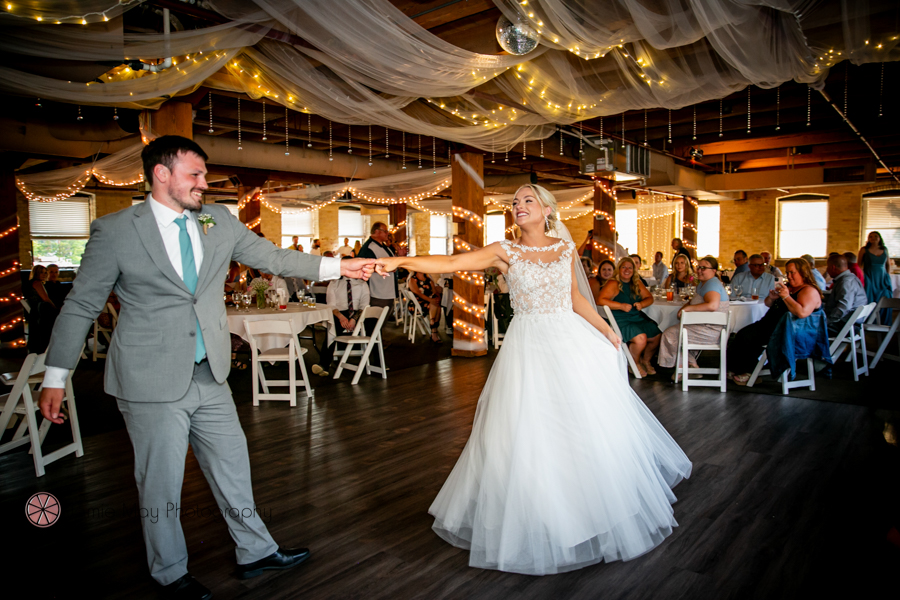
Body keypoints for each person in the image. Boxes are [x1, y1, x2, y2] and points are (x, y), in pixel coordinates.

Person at [37, 136, 375, 598]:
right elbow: (80, 306)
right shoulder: (116, 230)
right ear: (161, 174)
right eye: (194, 174)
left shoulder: (218, 220)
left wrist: (339, 267)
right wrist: (56, 377)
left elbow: (274, 257)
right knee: (161, 483)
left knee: (233, 466)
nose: (203, 183)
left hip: (209, 372)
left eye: (204, 174)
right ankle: (170, 573)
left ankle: (255, 551)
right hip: (149, 377)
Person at [373, 183, 690, 575]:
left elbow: (574, 297)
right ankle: (541, 517)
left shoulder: (564, 249)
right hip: (527, 348)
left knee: (578, 425)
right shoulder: (505, 251)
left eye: (527, 201)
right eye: (515, 202)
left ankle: (585, 508)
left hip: (569, 342)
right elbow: (453, 263)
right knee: (528, 431)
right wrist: (402, 262)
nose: (518, 207)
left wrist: (606, 331)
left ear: (546, 209)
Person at [728, 258, 822, 385]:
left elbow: (801, 313)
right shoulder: (789, 288)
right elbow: (767, 304)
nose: (789, 276)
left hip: (787, 331)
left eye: (792, 273)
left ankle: (750, 372)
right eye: (787, 273)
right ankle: (740, 369)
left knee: (747, 337)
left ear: (803, 272)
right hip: (769, 325)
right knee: (739, 335)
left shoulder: (808, 291)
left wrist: (786, 296)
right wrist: (772, 298)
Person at [657, 256, 730, 376]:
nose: (700, 270)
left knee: (670, 334)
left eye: (704, 268)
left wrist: (688, 309)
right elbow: (695, 300)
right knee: (676, 330)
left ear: (714, 271)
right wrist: (685, 306)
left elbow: (712, 305)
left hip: (711, 331)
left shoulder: (712, 284)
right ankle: (691, 366)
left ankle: (682, 369)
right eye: (699, 267)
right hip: (704, 326)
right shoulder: (704, 283)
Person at [599, 256, 662, 376]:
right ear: (619, 269)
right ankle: (634, 363)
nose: (627, 270)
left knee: (656, 335)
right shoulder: (613, 283)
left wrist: (642, 304)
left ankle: (646, 361)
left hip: (636, 318)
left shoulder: (636, 283)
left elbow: (650, 298)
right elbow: (601, 300)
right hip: (620, 320)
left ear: (634, 270)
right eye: (624, 267)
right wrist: (620, 306)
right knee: (641, 338)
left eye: (630, 268)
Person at [312, 256, 372, 376]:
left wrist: (354, 319)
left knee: (369, 321)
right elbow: (331, 305)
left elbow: (365, 305)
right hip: (339, 314)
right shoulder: (334, 284)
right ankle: (324, 365)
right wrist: (341, 317)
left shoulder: (362, 284)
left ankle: (373, 361)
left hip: (358, 313)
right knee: (333, 324)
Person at [824, 254, 868, 338]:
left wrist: (827, 321)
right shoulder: (849, 278)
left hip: (846, 326)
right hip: (849, 323)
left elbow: (844, 307)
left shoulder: (845, 282)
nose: (827, 270)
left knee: (808, 329)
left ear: (833, 267)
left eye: (827, 267)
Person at [358, 222, 397, 311]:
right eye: (385, 231)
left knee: (383, 318)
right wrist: (386, 268)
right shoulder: (369, 247)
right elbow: (362, 265)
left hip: (387, 290)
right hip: (378, 292)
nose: (388, 234)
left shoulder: (384, 246)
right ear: (377, 231)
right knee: (376, 320)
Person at [24, 264, 60, 353]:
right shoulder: (37, 283)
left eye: (45, 273)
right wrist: (55, 308)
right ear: (36, 273)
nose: (44, 275)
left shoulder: (31, 283)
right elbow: (46, 298)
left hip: (36, 311)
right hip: (41, 310)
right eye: (41, 273)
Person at [858, 231, 893, 320]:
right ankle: (868, 320)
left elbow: (888, 264)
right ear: (868, 239)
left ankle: (883, 320)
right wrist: (863, 277)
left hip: (882, 278)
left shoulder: (884, 249)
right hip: (869, 277)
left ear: (879, 238)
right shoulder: (864, 249)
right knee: (870, 298)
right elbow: (859, 265)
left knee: (885, 297)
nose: (873, 238)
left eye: (875, 236)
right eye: (871, 236)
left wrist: (887, 276)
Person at [408, 270, 444, 343]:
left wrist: (437, 298)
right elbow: (418, 293)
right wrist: (431, 300)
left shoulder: (429, 280)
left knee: (436, 304)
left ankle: (432, 324)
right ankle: (434, 331)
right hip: (416, 305)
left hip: (429, 303)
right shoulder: (413, 279)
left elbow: (435, 292)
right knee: (435, 305)